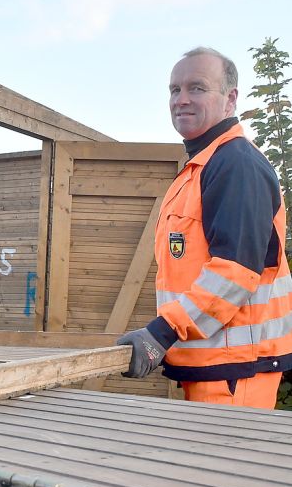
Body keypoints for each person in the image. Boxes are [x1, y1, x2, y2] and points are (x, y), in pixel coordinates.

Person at [117, 47, 292, 409]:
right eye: (174, 90)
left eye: (196, 88)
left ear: (230, 99)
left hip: (235, 373)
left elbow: (234, 272)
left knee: (228, 466)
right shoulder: (201, 167)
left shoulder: (235, 165)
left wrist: (161, 333)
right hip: (214, 366)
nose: (181, 99)